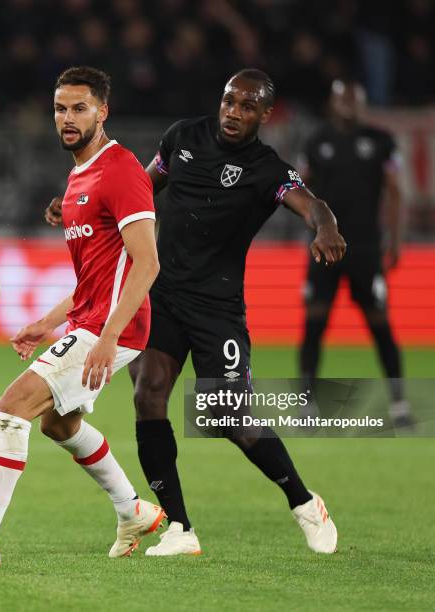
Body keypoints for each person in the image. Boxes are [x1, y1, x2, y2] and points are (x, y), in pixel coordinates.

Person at [47, 68, 347, 557]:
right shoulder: (183, 137)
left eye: (247, 106)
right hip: (161, 295)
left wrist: (326, 228)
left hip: (218, 307)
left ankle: (305, 502)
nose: (234, 112)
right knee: (149, 397)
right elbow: (139, 190)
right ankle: (181, 529)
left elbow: (313, 205)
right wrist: (83, 205)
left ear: (265, 115)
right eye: (229, 101)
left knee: (227, 415)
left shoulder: (266, 169)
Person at [0, 66, 164, 567]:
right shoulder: (80, 174)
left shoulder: (120, 169)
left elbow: (148, 262)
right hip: (92, 319)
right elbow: (96, 277)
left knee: (12, 407)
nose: (67, 119)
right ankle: (131, 509)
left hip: (112, 326)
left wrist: (108, 335)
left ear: (103, 111)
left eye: (79, 108)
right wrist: (49, 323)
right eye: (60, 109)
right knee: (57, 422)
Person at [298, 79, 414, 427]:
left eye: (353, 98)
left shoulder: (381, 141)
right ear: (332, 103)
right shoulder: (317, 142)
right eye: (341, 98)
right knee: (314, 322)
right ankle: (307, 405)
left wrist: (394, 241)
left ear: (362, 103)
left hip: (365, 249)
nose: (347, 103)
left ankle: (399, 404)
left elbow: (394, 192)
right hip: (324, 248)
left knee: (380, 325)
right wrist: (310, 232)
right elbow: (299, 190)